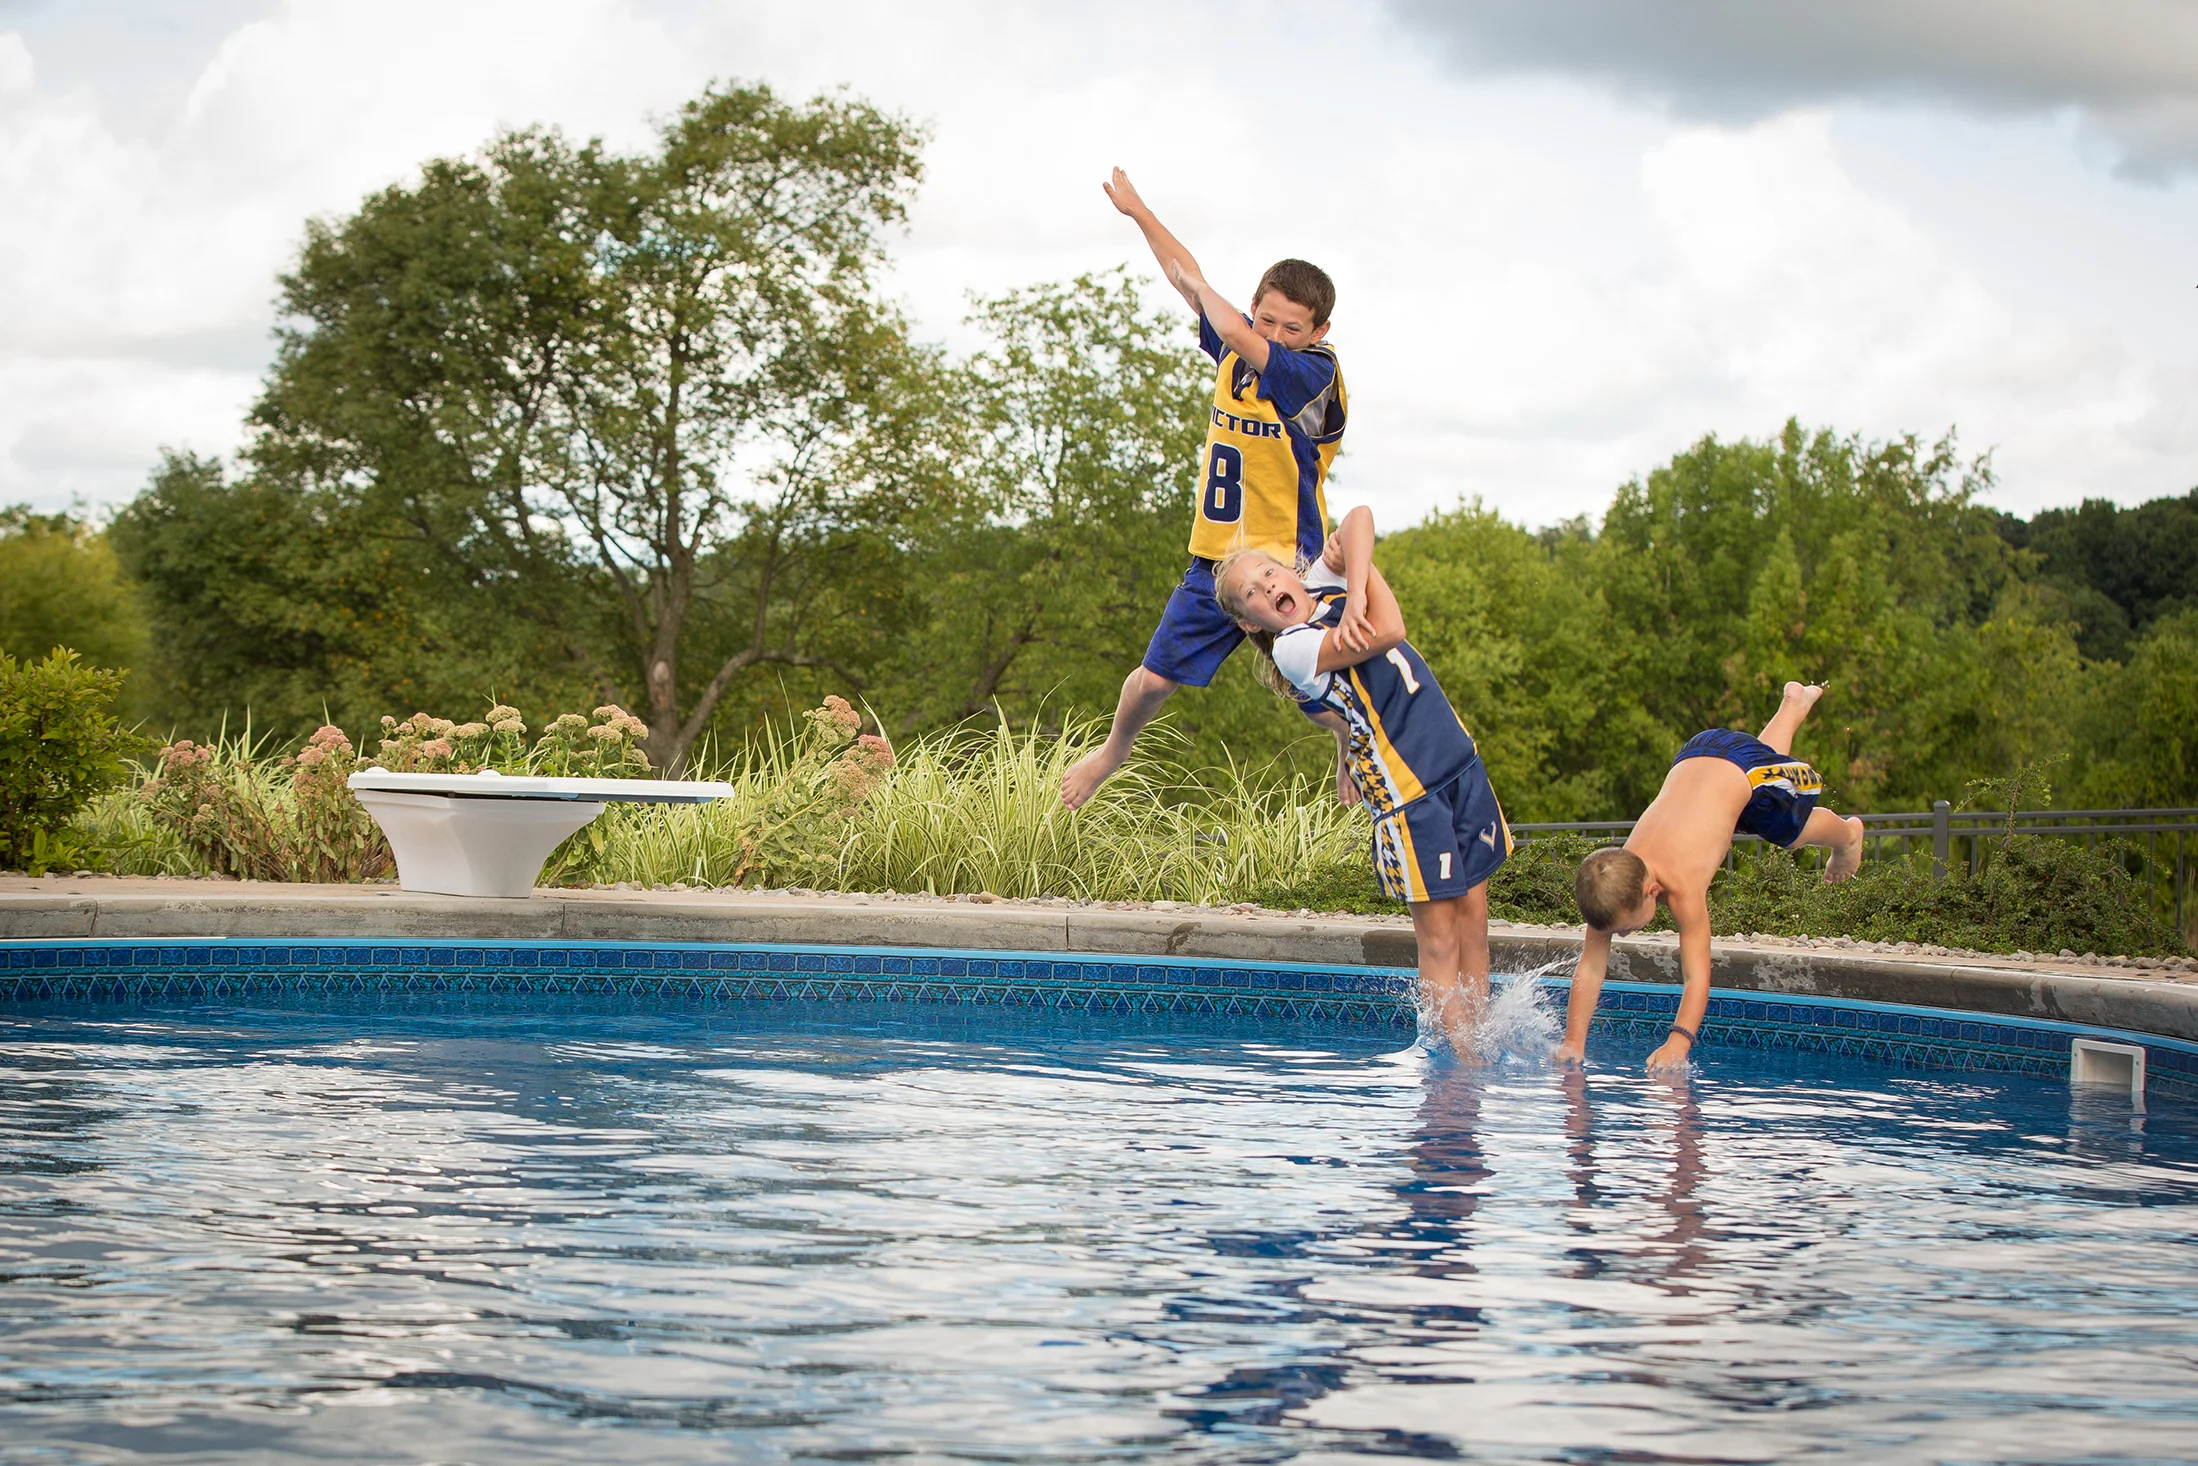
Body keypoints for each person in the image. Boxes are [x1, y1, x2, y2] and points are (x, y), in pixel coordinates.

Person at [1061, 167, 1349, 811]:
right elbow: (1184, 275)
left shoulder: (1314, 374)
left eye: (1292, 327)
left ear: (1318, 334)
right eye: (1267, 318)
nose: (1275, 334)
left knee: (1318, 690)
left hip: (1285, 566)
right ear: (1254, 306)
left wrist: (1204, 292)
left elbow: (1237, 329)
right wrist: (1139, 213)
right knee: (1152, 680)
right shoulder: (1237, 343)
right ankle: (1113, 752)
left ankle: (1349, 747)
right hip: (1217, 558)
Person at [1215, 505, 1511, 1050]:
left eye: (1267, 572)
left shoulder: (1326, 591)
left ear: (1287, 572)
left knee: (1474, 920)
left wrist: (1351, 577)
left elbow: (1358, 517)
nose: (1266, 585)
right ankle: (1459, 1063)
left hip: (1458, 762)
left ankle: (1482, 1042)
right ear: (1251, 622)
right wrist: (1360, 581)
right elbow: (1392, 629)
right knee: (1440, 938)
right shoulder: (1293, 648)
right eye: (1252, 592)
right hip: (1408, 792)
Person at [1555, 683, 1868, 1073]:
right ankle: (1793, 705)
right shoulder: (1614, 879)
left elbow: (1697, 976)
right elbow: (1590, 966)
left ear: (1652, 891)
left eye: (1625, 930)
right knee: (1757, 781)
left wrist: (1677, 1043)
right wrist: (1573, 1041)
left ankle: (1848, 834)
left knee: (1788, 831)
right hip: (1701, 752)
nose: (1622, 936)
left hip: (1735, 769)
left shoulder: (1683, 888)